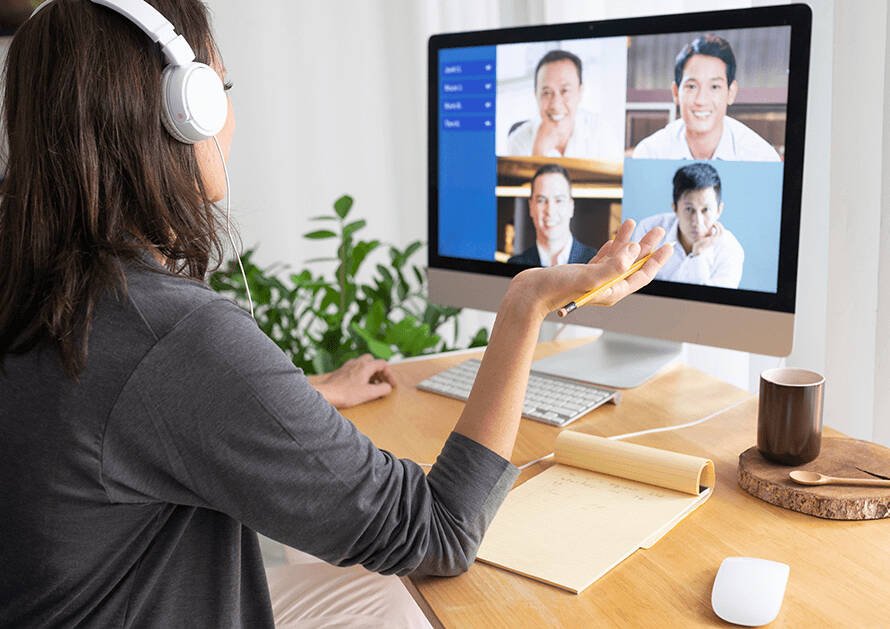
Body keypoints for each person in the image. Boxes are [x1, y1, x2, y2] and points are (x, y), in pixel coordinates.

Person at [0, 1, 672, 626]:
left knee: (376, 592)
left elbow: (129, 424)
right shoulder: (173, 339)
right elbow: (438, 529)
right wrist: (527, 303)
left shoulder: (34, 288)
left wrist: (312, 392)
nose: (231, 118)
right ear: (186, 111)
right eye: (222, 90)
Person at [632, 34, 781, 162]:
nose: (701, 100)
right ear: (676, 92)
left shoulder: (760, 158)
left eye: (714, 87)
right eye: (692, 87)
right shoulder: (650, 154)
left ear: (731, 93)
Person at [632, 162, 743, 288]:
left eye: (705, 210)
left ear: (719, 210)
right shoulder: (649, 230)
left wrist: (699, 254)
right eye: (689, 209)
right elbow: (636, 288)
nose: (697, 221)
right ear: (675, 208)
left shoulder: (731, 249)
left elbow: (714, 303)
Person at [505, 50, 614, 160]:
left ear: (580, 92)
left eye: (565, 91)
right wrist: (538, 152)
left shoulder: (600, 132)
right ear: (535, 95)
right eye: (546, 92)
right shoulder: (518, 141)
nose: (556, 105)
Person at [508, 164, 598, 267]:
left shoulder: (595, 262)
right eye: (541, 200)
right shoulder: (514, 264)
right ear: (531, 207)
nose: (550, 210)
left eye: (559, 200)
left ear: (571, 207)